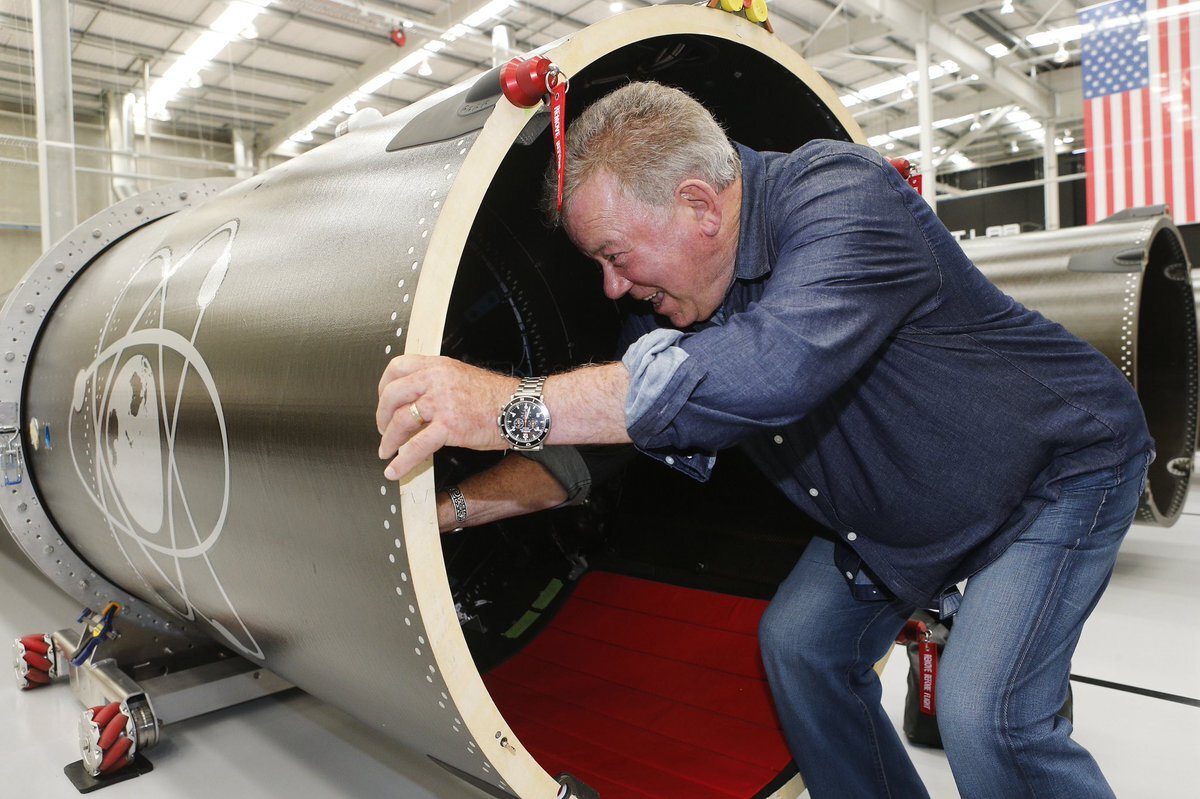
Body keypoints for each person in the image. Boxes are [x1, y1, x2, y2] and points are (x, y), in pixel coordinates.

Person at [376, 81, 1153, 798]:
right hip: (892, 504)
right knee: (801, 646)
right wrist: (446, 510)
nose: (613, 286)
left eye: (615, 256)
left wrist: (511, 403)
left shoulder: (843, 196)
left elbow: (774, 367)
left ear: (698, 207)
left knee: (988, 715)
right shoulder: (667, 303)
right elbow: (600, 446)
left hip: (1051, 471)